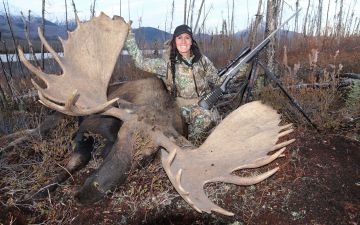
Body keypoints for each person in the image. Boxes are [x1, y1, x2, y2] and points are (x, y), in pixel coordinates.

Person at [124, 24, 245, 141]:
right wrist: (129, 36)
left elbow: (218, 81)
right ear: (174, 41)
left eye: (187, 38)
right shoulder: (167, 64)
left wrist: (241, 69)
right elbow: (140, 62)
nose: (183, 41)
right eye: (179, 38)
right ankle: (192, 151)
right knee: (205, 120)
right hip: (182, 107)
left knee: (222, 128)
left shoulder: (202, 60)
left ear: (191, 41)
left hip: (207, 103)